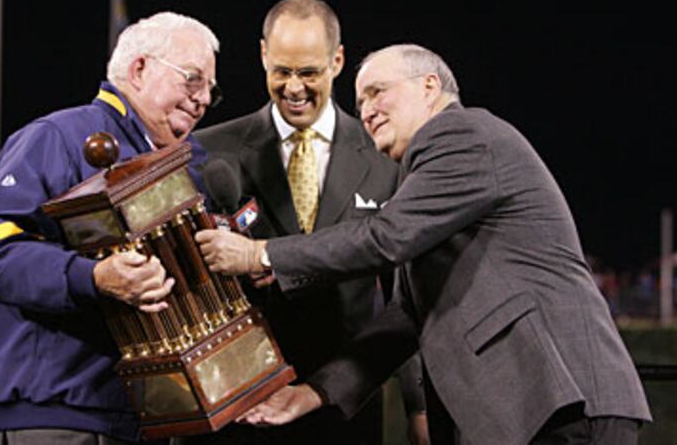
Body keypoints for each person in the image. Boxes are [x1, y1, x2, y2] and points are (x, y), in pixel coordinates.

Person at [195, 44, 652, 444]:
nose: (367, 109)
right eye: (359, 100)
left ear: (430, 86)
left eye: (378, 91)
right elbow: (404, 319)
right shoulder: (428, 186)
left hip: (559, 399)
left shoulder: (462, 135)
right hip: (533, 409)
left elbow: (384, 237)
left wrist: (260, 253)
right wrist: (314, 393)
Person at [0, 11, 220, 444]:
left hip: (151, 416)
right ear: (139, 69)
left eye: (210, 92)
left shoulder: (188, 163)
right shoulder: (57, 137)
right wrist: (94, 277)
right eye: (192, 80)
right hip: (58, 412)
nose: (201, 100)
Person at [191, 0, 427, 444]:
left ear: (337, 61)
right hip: (236, 410)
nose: (294, 88)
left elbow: (406, 298)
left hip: (345, 409)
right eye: (281, 71)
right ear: (262, 55)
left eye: (309, 72)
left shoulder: (385, 158)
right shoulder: (207, 153)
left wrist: (418, 407)